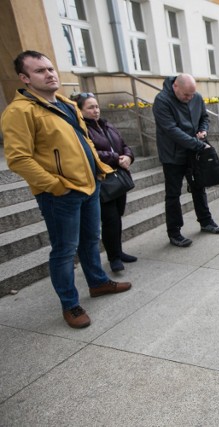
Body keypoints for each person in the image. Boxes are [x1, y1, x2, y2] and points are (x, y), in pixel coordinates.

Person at [1, 50, 132, 329]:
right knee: (64, 250)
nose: (49, 74)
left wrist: (98, 169)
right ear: (24, 78)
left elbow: (84, 141)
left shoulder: (65, 104)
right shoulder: (19, 111)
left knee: (90, 240)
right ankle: (70, 304)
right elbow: (18, 158)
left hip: (89, 186)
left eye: (50, 68)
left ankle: (97, 283)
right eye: (39, 71)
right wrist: (55, 185)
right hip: (60, 194)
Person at [152, 74, 219, 248]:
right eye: (186, 95)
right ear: (175, 86)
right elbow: (171, 130)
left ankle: (206, 221)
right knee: (173, 194)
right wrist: (198, 145)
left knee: (199, 187)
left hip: (193, 152)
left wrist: (203, 130)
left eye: (192, 94)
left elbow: (204, 118)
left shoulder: (195, 96)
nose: (190, 98)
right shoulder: (162, 101)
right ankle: (174, 232)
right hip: (173, 155)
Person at [74, 93, 137, 272]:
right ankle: (114, 257)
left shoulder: (106, 124)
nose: (95, 111)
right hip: (103, 180)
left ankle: (118, 251)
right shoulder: (81, 129)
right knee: (110, 220)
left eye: (96, 107)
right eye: (90, 108)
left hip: (119, 177)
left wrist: (128, 157)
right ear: (80, 110)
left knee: (117, 217)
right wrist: (117, 158)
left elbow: (123, 144)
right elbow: (91, 153)